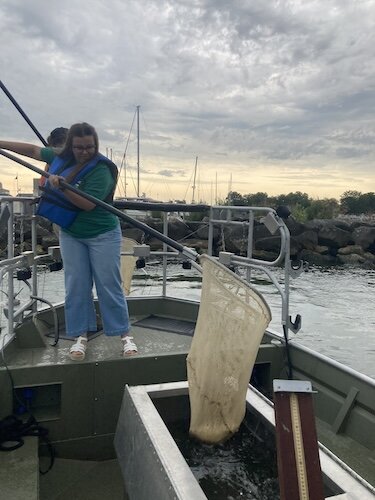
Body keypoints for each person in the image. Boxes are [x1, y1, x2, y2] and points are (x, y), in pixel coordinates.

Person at [0, 122, 137, 360]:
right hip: (71, 233)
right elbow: (32, 151)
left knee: (108, 284)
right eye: (79, 147)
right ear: (70, 146)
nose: (84, 151)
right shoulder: (60, 157)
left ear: (95, 145)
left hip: (102, 233)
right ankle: (80, 335)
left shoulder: (101, 169)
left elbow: (87, 204)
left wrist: (60, 186)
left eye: (89, 147)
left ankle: (124, 335)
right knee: (76, 285)